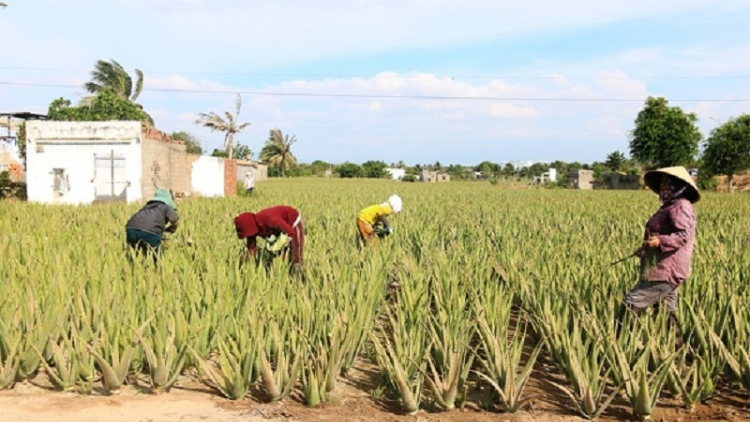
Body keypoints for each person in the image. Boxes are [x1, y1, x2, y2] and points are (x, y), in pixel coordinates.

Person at [616, 166, 699, 347]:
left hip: (666, 270)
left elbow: (683, 235)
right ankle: (678, 352)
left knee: (632, 304)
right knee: (666, 311)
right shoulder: (670, 206)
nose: (664, 187)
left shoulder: (681, 206)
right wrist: (646, 248)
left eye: (668, 183)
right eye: (662, 184)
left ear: (679, 185)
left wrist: (659, 242)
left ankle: (621, 348)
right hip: (661, 266)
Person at [234, 205, 304, 272]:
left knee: (296, 253)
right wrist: (248, 266)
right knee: (276, 257)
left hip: (292, 221)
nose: (250, 236)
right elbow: (251, 249)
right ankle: (278, 272)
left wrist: (282, 244)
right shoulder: (252, 228)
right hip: (277, 229)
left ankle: (298, 275)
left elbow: (291, 233)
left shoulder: (271, 220)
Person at [125, 189, 180, 256]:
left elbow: (145, 221)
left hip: (131, 229)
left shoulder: (146, 207)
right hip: (150, 232)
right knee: (157, 257)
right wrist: (172, 229)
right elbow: (175, 220)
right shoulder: (166, 207)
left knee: (136, 255)